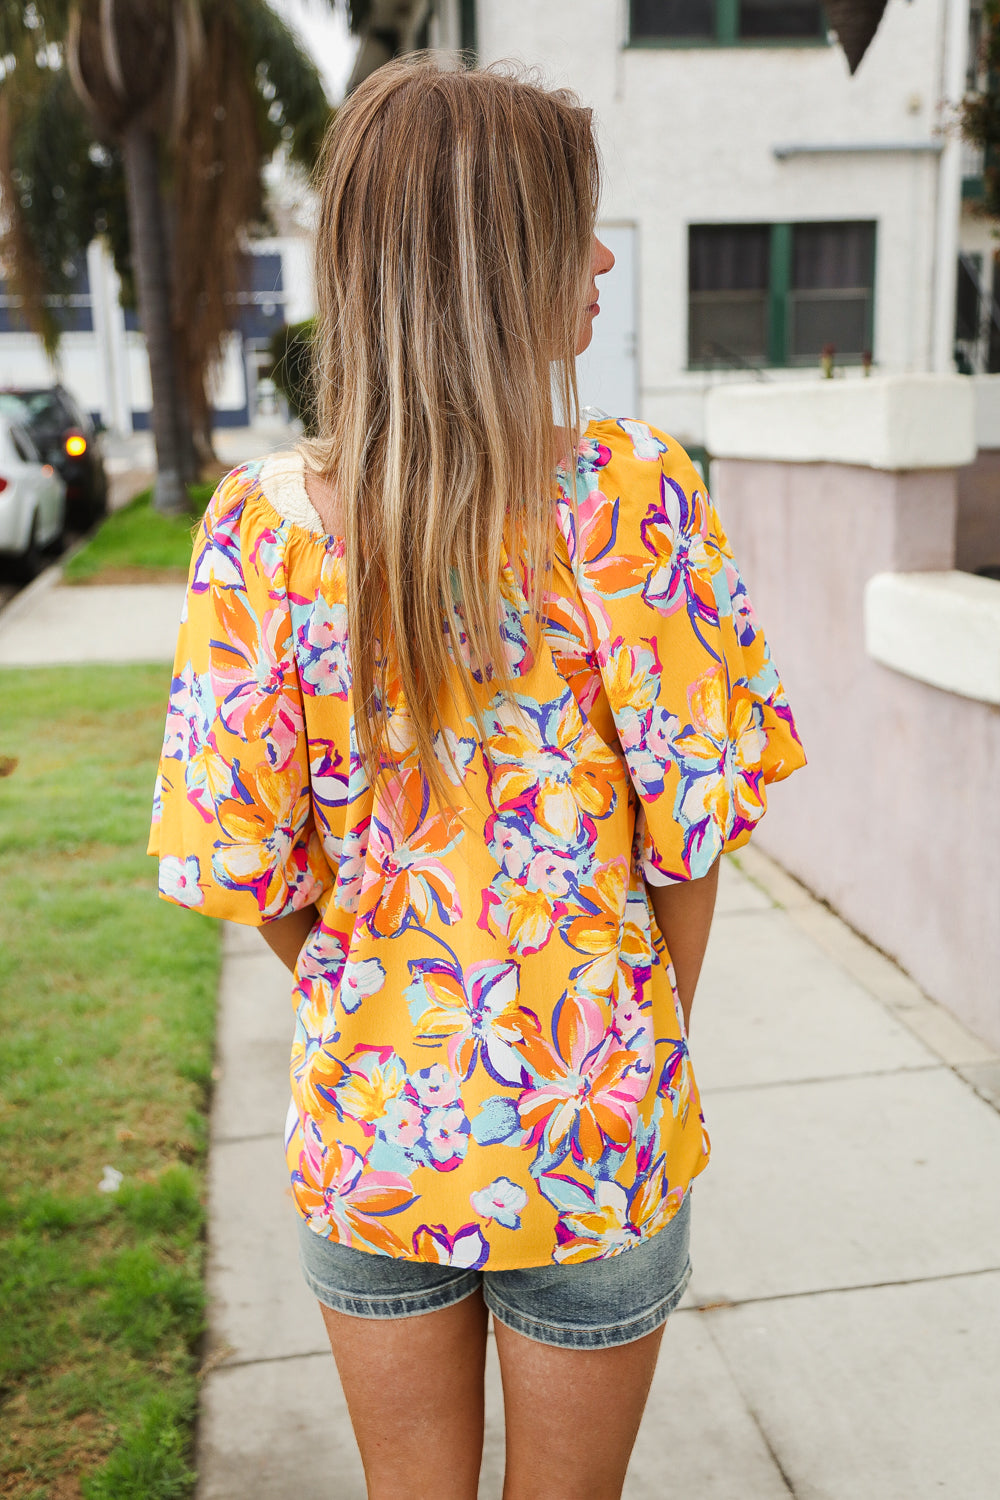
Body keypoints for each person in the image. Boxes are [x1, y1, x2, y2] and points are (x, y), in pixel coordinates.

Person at [149, 55, 805, 1500]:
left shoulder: (261, 531)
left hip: (376, 1129)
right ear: (506, 263)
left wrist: (380, 1010)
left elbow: (250, 869)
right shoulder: (636, 499)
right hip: (596, 1131)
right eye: (580, 227)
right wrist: (629, 1044)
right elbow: (695, 842)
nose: (605, 258)